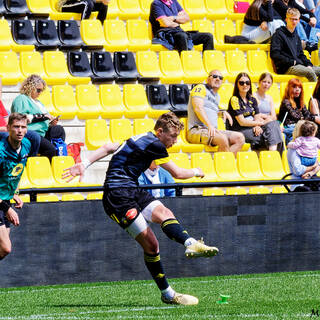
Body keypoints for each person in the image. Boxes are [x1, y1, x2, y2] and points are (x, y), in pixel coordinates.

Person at [63, 112, 219, 306]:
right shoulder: (155, 145)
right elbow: (178, 173)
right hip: (117, 196)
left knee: (165, 213)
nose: (175, 141)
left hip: (132, 189)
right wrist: (197, 171)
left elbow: (109, 147)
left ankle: (190, 243)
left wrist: (84, 164)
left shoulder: (141, 137)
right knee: (152, 245)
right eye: (172, 136)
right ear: (160, 132)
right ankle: (168, 294)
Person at [0, 113, 37, 260]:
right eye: (16, 127)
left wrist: (13, 193)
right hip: (2, 203)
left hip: (5, 198)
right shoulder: (1, 151)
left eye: (23, 127)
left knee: (2, 250)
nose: (20, 130)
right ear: (8, 128)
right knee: (6, 247)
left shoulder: (27, 145)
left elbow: (14, 172)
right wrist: (7, 209)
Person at [187, 70, 245, 155]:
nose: (218, 79)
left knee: (240, 138)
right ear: (207, 79)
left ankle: (224, 163)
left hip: (211, 131)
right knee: (222, 139)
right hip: (197, 130)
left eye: (220, 78)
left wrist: (221, 113)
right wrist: (209, 125)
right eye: (214, 76)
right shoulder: (200, 88)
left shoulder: (217, 96)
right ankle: (223, 166)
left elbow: (210, 111)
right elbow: (198, 108)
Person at [11, 74, 65, 161]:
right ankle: (42, 167)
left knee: (59, 130)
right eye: (38, 90)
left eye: (41, 91)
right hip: (30, 133)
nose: (40, 93)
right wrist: (42, 117)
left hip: (42, 133)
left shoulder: (38, 102)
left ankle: (58, 158)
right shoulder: (21, 99)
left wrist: (51, 123)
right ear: (30, 87)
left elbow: (44, 120)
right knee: (50, 149)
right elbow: (19, 118)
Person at [227, 72, 284, 153]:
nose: (245, 85)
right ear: (237, 84)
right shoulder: (234, 99)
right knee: (273, 134)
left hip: (252, 127)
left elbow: (256, 116)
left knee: (274, 125)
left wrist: (257, 126)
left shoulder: (252, 99)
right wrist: (260, 123)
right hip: (240, 130)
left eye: (247, 83)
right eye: (241, 83)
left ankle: (273, 154)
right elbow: (242, 122)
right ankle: (274, 157)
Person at [270, 8, 320, 81]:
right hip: (287, 67)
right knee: (310, 73)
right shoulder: (278, 34)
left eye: (296, 19)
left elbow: (301, 54)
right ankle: (315, 92)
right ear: (286, 19)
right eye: (291, 19)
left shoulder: (296, 36)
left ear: (299, 20)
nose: (294, 21)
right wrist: (292, 62)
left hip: (299, 65)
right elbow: (275, 54)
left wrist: (308, 64)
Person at [149, 0, 214, 52]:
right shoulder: (156, 3)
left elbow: (186, 18)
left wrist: (173, 18)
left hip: (178, 31)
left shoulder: (174, 1)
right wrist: (178, 21)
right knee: (182, 36)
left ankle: (209, 64)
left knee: (208, 36)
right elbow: (166, 23)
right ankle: (185, 62)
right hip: (166, 34)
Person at [278, 78, 320, 144]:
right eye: (294, 87)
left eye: (299, 87)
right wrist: (314, 118)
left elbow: (307, 114)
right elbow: (296, 117)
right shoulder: (286, 102)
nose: (297, 89)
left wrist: (313, 117)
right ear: (289, 89)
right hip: (289, 128)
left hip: (299, 128)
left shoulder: (301, 102)